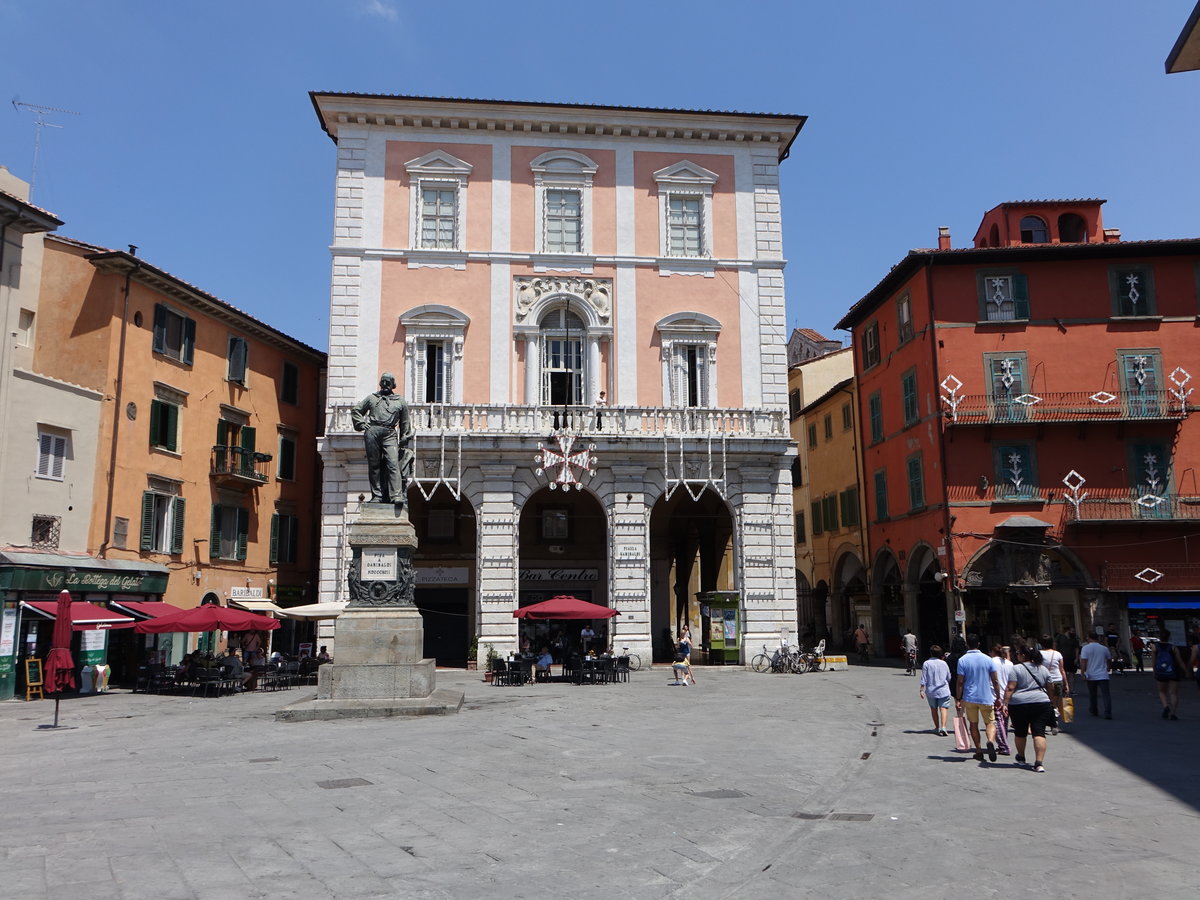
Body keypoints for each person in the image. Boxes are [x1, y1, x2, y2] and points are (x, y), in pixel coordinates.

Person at [350, 372, 413, 505]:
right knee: (374, 465)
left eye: (387, 382)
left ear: (393, 384)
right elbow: (356, 410)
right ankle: (377, 496)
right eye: (382, 381)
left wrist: (404, 438)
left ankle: (396, 495)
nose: (384, 384)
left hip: (390, 432)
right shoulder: (372, 398)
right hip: (372, 432)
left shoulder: (400, 401)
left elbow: (405, 422)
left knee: (393, 463)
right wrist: (361, 423)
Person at [1003, 646, 1055, 773]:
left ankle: (1021, 757)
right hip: (1041, 702)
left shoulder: (1016, 668)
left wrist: (1005, 703)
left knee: (1020, 732)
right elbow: (1051, 686)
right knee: (1039, 733)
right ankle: (1039, 763)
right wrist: (1051, 700)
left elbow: (1010, 687)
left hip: (1019, 703)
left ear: (1024, 655)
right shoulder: (1043, 669)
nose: (1018, 656)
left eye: (1019, 653)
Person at [955, 634, 1003, 762]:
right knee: (990, 723)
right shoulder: (988, 659)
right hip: (986, 696)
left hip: (970, 697)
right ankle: (990, 741)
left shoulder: (962, 660)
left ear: (967, 645)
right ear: (979, 644)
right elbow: (995, 680)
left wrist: (958, 698)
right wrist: (998, 697)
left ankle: (978, 750)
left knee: (973, 724)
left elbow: (960, 681)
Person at [1152, 628, 1188, 720]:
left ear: (1160, 637)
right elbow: (1179, 661)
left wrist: (1154, 671)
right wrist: (1186, 671)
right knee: (1173, 693)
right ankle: (1173, 713)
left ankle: (1165, 706)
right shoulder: (1173, 648)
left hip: (1161, 672)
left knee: (1162, 691)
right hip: (1173, 672)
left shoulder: (1155, 647)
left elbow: (1154, 661)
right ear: (1169, 637)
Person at [1038, 636, 1070, 735]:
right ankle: (1054, 723)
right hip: (1057, 680)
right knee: (1055, 703)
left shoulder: (1039, 654)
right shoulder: (1057, 654)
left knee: (1044, 703)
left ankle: (1043, 723)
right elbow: (1062, 670)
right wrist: (1066, 684)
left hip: (1044, 681)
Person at [919, 645, 952, 735]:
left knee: (933, 709)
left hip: (931, 691)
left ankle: (937, 727)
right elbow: (948, 677)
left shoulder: (926, 663)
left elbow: (924, 678)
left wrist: (922, 689)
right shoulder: (944, 663)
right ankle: (944, 727)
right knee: (944, 708)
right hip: (943, 690)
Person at [1079, 631, 1113, 719]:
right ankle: (1108, 712)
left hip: (1091, 674)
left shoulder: (1085, 648)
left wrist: (1082, 672)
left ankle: (1094, 710)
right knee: (1106, 694)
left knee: (1092, 694)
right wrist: (1109, 667)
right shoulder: (1104, 648)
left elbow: (1083, 661)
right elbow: (1109, 659)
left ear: (1089, 638)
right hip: (1103, 674)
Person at [990, 644, 1015, 755]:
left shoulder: (991, 662)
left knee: (997, 720)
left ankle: (1004, 746)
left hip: (995, 695)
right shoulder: (1010, 664)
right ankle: (1003, 743)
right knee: (1004, 720)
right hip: (1008, 695)